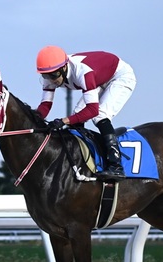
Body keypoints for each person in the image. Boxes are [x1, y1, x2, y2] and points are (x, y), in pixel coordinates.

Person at [35, 45, 136, 181]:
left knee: (100, 115)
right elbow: (45, 105)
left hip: (119, 76)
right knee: (77, 114)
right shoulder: (51, 73)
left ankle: (116, 166)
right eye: (45, 76)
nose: (51, 80)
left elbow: (92, 110)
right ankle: (80, 161)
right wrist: (34, 119)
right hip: (99, 78)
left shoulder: (82, 72)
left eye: (53, 75)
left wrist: (64, 121)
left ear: (64, 68)